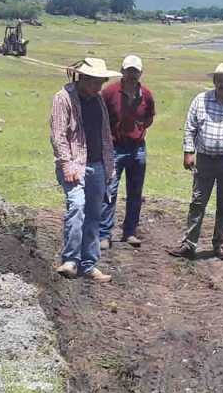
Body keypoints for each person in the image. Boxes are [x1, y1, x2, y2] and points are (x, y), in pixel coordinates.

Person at [169, 62, 223, 261]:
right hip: (205, 159)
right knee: (198, 201)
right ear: (214, 81)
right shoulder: (200, 100)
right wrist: (188, 152)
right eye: (220, 80)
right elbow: (190, 128)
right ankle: (189, 243)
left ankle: (219, 243)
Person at [50, 58, 121, 282]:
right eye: (95, 82)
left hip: (98, 164)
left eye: (101, 82)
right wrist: (67, 164)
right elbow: (58, 135)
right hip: (75, 164)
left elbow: (104, 135)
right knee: (77, 206)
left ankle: (89, 264)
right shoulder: (64, 99)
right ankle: (71, 260)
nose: (99, 87)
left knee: (94, 214)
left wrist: (109, 167)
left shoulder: (98, 100)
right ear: (84, 78)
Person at [99, 55, 155, 250]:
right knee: (109, 191)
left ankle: (130, 231)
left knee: (135, 193)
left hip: (138, 148)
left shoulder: (146, 95)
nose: (132, 74)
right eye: (129, 70)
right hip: (115, 148)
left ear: (140, 73)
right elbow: (101, 116)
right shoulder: (110, 92)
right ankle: (104, 234)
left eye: (135, 71)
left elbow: (148, 119)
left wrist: (137, 132)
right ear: (122, 71)